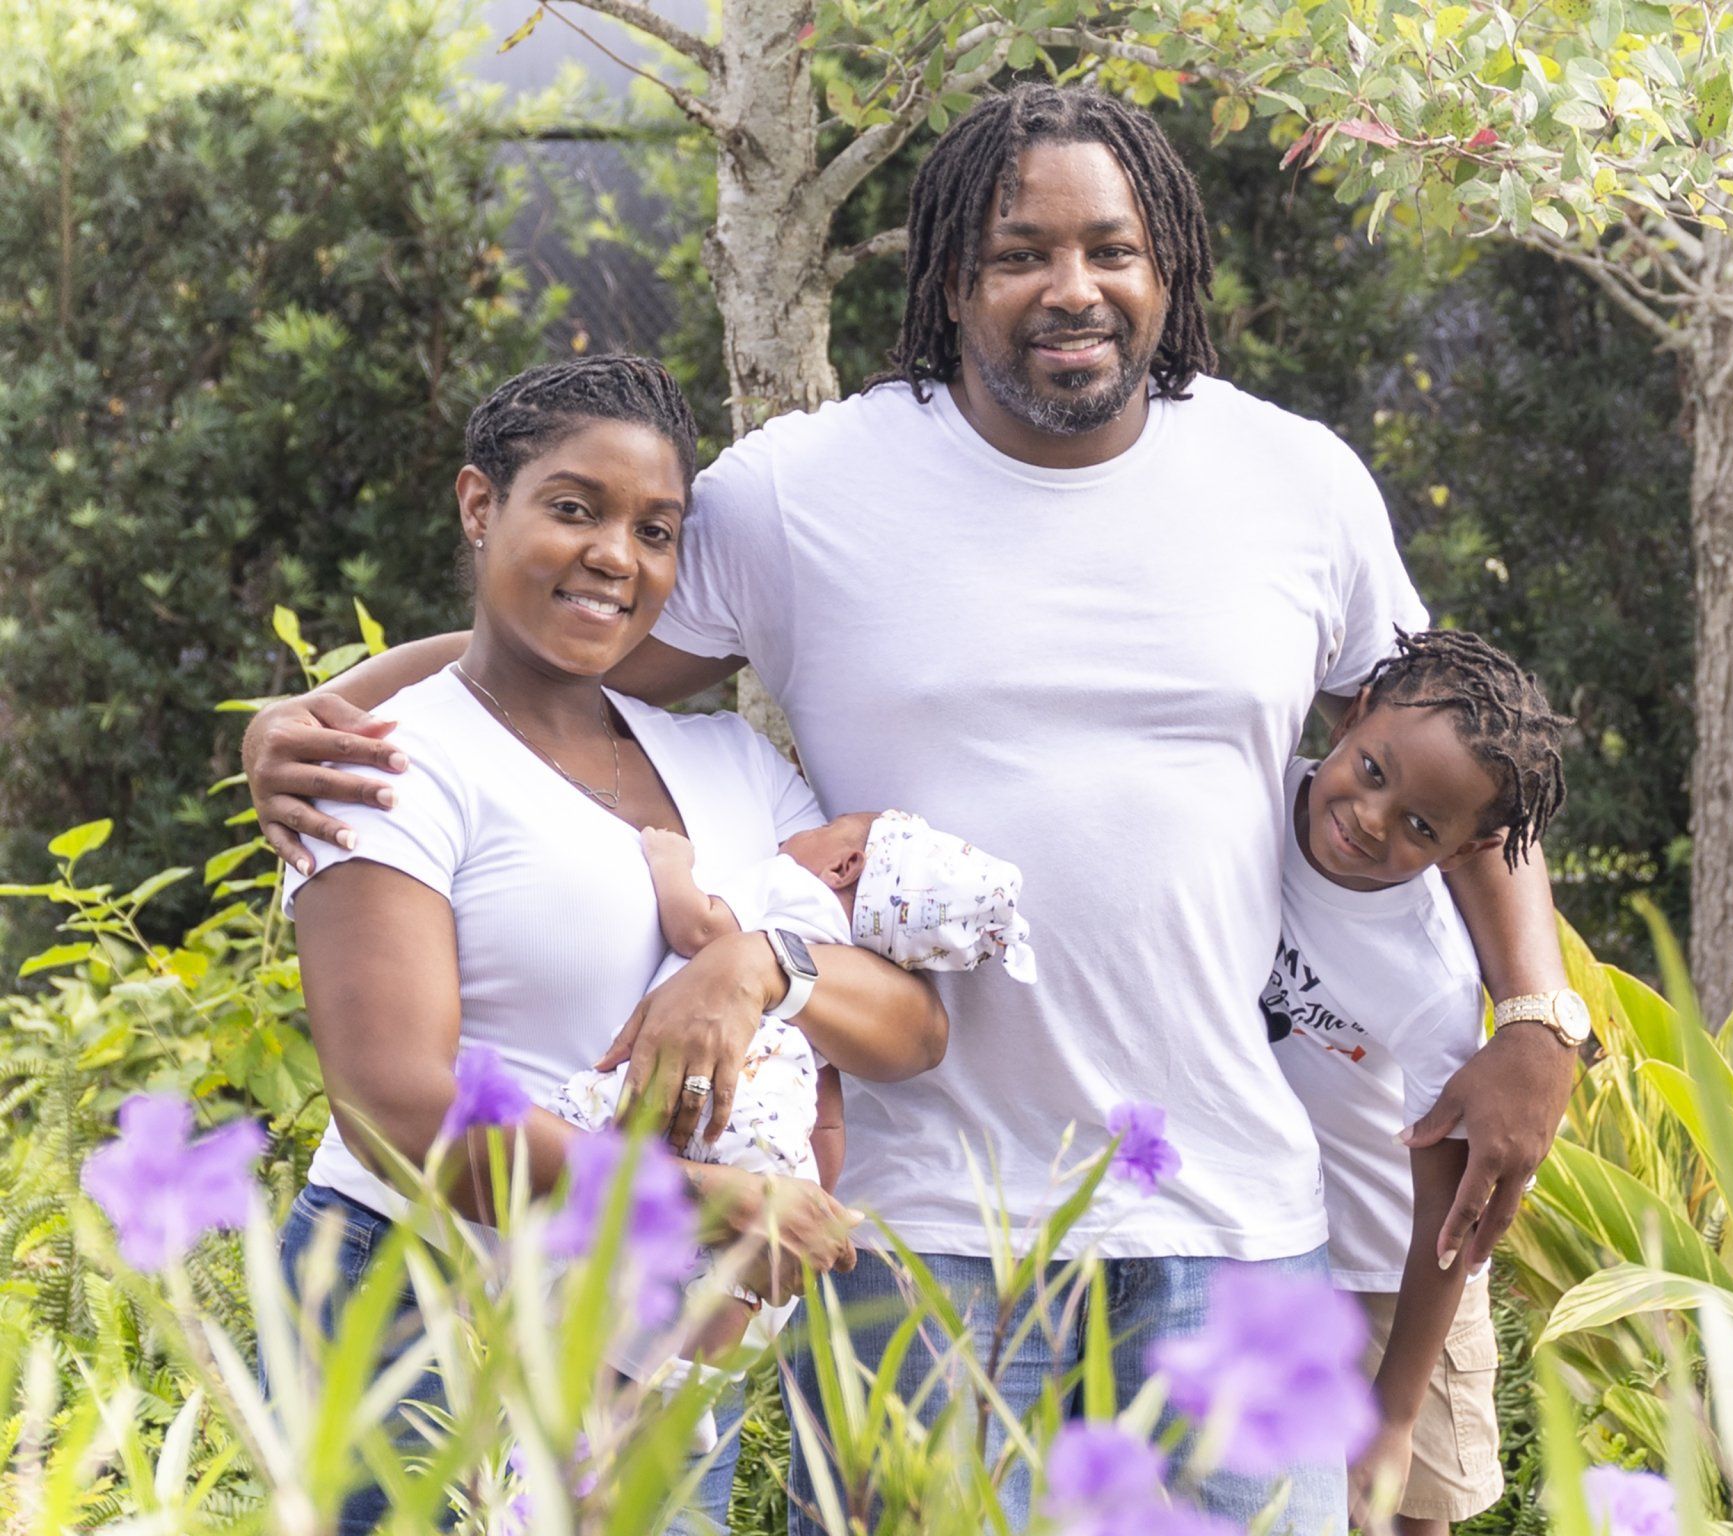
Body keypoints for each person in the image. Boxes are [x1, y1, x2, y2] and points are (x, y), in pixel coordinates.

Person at [242, 85, 1583, 1533]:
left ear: (1167, 268)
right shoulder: (801, 494)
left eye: (1111, 249)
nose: (1072, 288)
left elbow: (1462, 748)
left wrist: (1532, 1006)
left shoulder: (1295, 482)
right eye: (1022, 253)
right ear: (952, 278)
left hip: (1230, 1209)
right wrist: (329, 710)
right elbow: (566, 634)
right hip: (915, 1222)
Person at [272, 356, 946, 1535]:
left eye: (655, 529)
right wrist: (697, 1202)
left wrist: (765, 969)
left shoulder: (730, 766)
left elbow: (910, 1028)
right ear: (482, 506)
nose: (615, 557)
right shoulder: (393, 765)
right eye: (574, 509)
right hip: (421, 1307)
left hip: (656, 1335)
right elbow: (397, 1102)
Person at [1260, 630, 1571, 1535]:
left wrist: (1394, 1414)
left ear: (1465, 852)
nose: (1372, 818)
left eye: (1423, 828)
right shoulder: (1256, 804)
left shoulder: (1428, 976)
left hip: (1402, 1273)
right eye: (1372, 769)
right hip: (1271, 1244)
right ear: (1353, 713)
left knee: (1401, 1511)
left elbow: (1449, 1198)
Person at [547, 807, 1037, 1350]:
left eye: (822, 830)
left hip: (689, 1080)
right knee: (734, 1265)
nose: (796, 833)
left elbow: (698, 928)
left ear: (844, 865)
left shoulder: (794, 889)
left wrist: (670, 861)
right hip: (770, 1121)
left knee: (583, 1178)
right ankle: (685, 1370)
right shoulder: (845, 963)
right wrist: (814, 1186)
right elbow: (825, 1115)